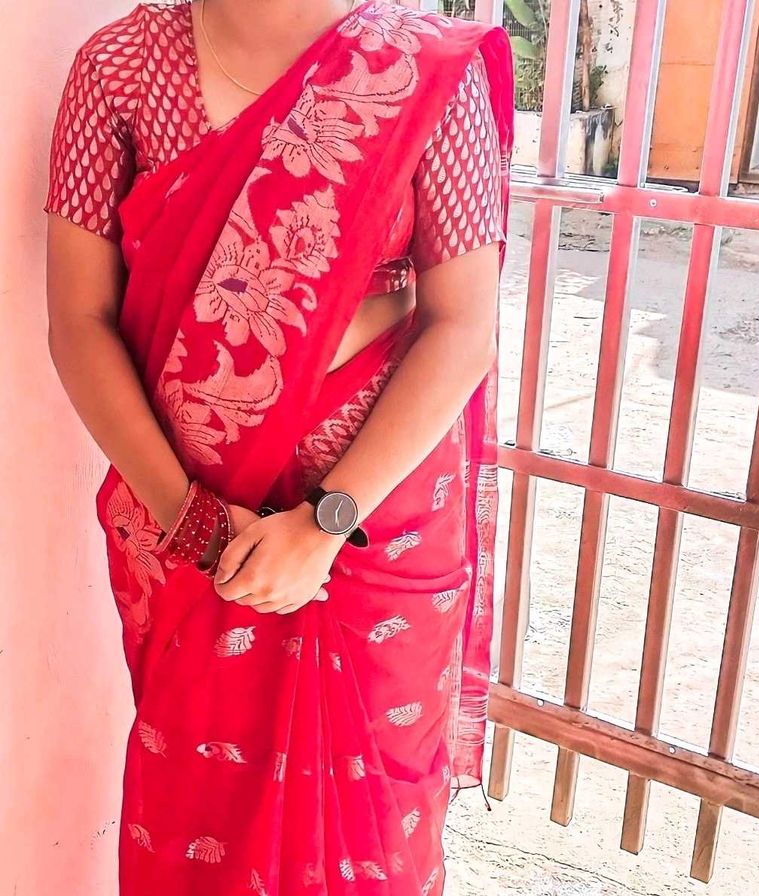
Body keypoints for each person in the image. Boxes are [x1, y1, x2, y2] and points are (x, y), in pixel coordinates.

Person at [43, 0, 514, 893]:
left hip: (375, 542)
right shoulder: (117, 68)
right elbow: (79, 321)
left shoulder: (422, 70)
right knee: (200, 820)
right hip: (189, 540)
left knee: (374, 826)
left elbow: (463, 326)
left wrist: (328, 523)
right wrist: (189, 522)